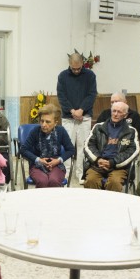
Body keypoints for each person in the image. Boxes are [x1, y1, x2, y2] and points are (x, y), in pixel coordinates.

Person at [56, 51, 97, 183]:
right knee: (68, 146)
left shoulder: (90, 75)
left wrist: (81, 110)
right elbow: (61, 96)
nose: (76, 71)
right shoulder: (62, 76)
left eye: (79, 68)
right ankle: (66, 173)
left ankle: (81, 174)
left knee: (82, 146)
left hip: (84, 117)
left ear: (82, 64)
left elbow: (92, 94)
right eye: (73, 68)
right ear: (69, 64)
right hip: (68, 117)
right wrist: (72, 111)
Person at [83, 101, 139, 191]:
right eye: (114, 111)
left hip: (118, 167)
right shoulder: (98, 127)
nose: (115, 114)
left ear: (125, 115)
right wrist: (98, 159)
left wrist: (113, 162)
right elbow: (88, 145)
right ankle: (93, 204)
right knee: (90, 181)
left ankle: (111, 205)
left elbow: (133, 151)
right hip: (98, 165)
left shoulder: (131, 131)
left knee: (114, 183)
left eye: (119, 112)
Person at [20, 103, 75, 188]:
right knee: (42, 181)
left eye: (48, 122)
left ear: (55, 123)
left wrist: (58, 160)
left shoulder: (61, 131)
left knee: (54, 181)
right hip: (37, 165)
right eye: (42, 121)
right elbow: (23, 149)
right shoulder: (35, 131)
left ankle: (55, 201)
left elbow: (71, 150)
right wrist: (38, 159)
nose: (43, 124)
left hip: (56, 165)